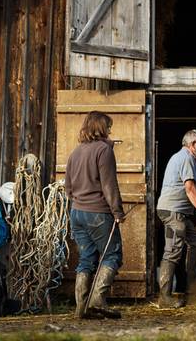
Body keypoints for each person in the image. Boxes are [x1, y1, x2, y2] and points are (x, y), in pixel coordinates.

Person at [63, 111, 125, 319]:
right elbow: (109, 185)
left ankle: (81, 308)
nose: (110, 130)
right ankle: (98, 300)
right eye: (108, 126)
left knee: (86, 258)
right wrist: (117, 211)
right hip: (98, 213)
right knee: (112, 255)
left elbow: (68, 188)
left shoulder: (76, 152)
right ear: (100, 127)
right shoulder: (103, 150)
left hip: (77, 213)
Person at [155, 129, 196, 308]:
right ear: (193, 144)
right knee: (173, 251)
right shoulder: (186, 158)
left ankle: (191, 290)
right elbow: (190, 188)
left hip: (180, 212)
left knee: (195, 241)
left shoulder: (182, 157)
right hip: (173, 211)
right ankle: (164, 298)